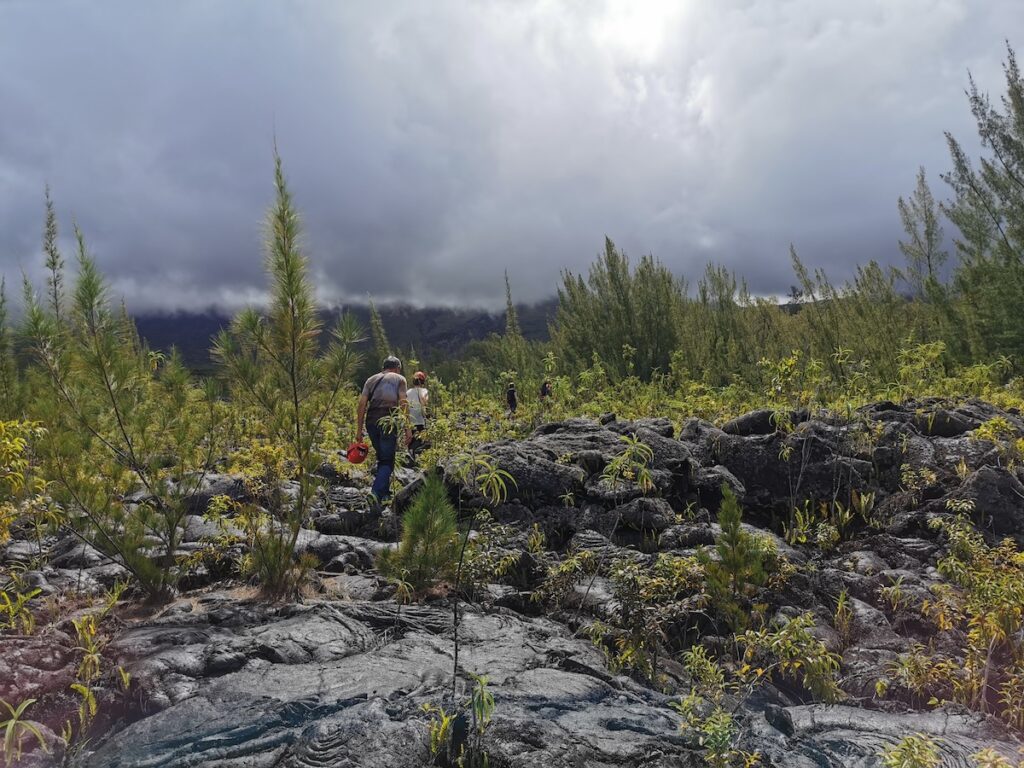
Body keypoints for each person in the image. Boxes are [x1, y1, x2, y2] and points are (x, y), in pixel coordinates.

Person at [356, 356, 412, 505]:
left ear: (383, 368)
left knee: (383, 457)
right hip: (388, 421)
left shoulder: (370, 380)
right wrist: (408, 428)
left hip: (371, 422)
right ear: (397, 368)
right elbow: (403, 403)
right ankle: (375, 492)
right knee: (387, 460)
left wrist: (359, 430)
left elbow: (362, 405)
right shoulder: (399, 379)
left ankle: (385, 495)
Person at [407, 371, 429, 454]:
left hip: (410, 422)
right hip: (420, 420)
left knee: (411, 444)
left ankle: (411, 457)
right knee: (420, 443)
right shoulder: (424, 391)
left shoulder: (408, 392)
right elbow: (425, 403)